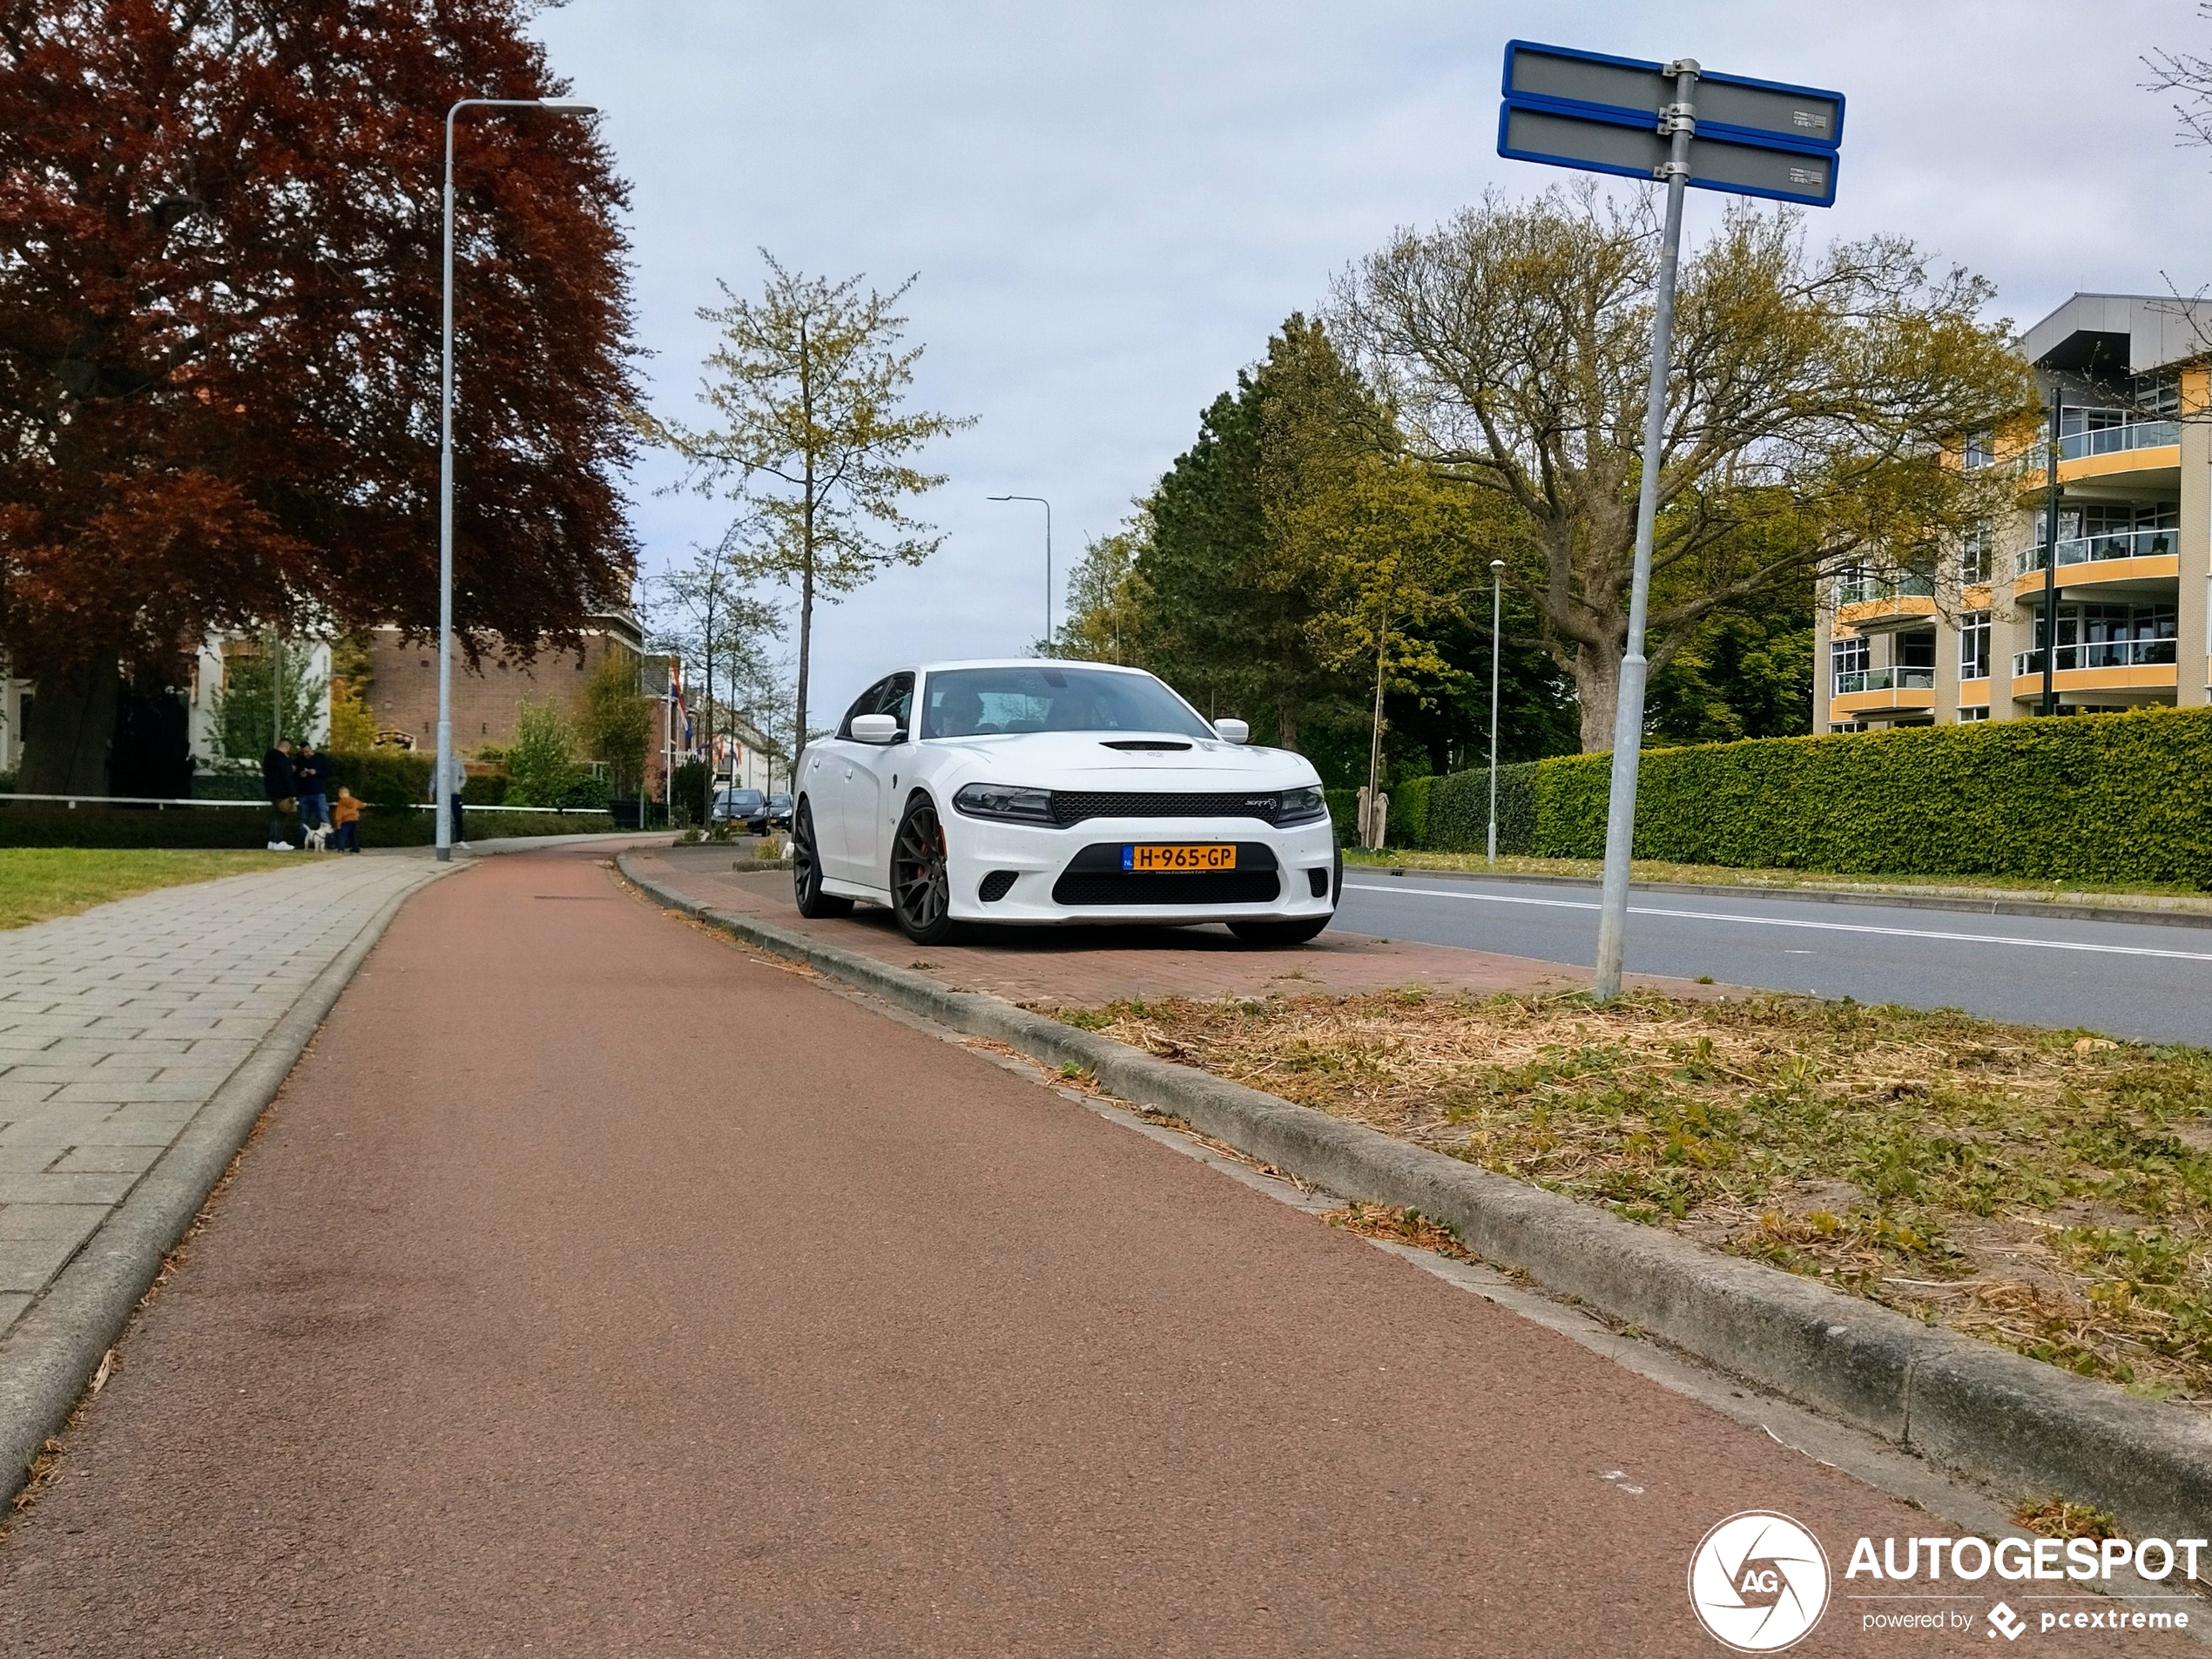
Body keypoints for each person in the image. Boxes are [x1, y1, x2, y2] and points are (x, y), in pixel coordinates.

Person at [261, 738, 295, 851]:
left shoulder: (269, 757)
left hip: (271, 790)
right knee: (281, 816)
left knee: (275, 815)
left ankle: (271, 841)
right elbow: (286, 777)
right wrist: (292, 793)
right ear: (286, 747)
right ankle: (278, 840)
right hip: (282, 791)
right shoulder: (282, 759)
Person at [293, 741, 328, 832]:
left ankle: (329, 842)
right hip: (304, 793)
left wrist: (316, 772)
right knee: (303, 818)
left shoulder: (321, 758)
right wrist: (300, 775)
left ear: (311, 749)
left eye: (307, 752)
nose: (305, 754)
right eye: (303, 752)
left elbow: (329, 772)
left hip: (319, 792)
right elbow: (293, 775)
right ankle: (303, 842)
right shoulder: (298, 760)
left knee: (323, 817)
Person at [330, 786, 362, 853]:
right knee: (352, 834)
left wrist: (338, 823)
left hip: (345, 820)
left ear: (340, 794)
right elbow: (362, 805)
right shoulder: (354, 800)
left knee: (342, 834)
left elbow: (339, 813)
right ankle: (355, 848)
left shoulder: (341, 802)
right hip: (355, 819)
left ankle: (341, 848)